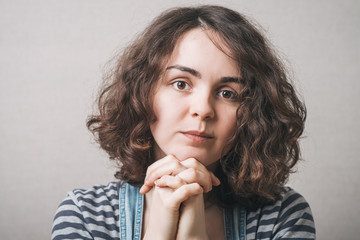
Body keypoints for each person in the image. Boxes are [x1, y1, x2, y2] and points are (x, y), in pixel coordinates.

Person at [52, 5, 315, 240]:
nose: (203, 110)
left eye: (228, 93)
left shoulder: (284, 214)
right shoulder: (84, 215)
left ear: (253, 112)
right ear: (142, 93)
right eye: (181, 84)